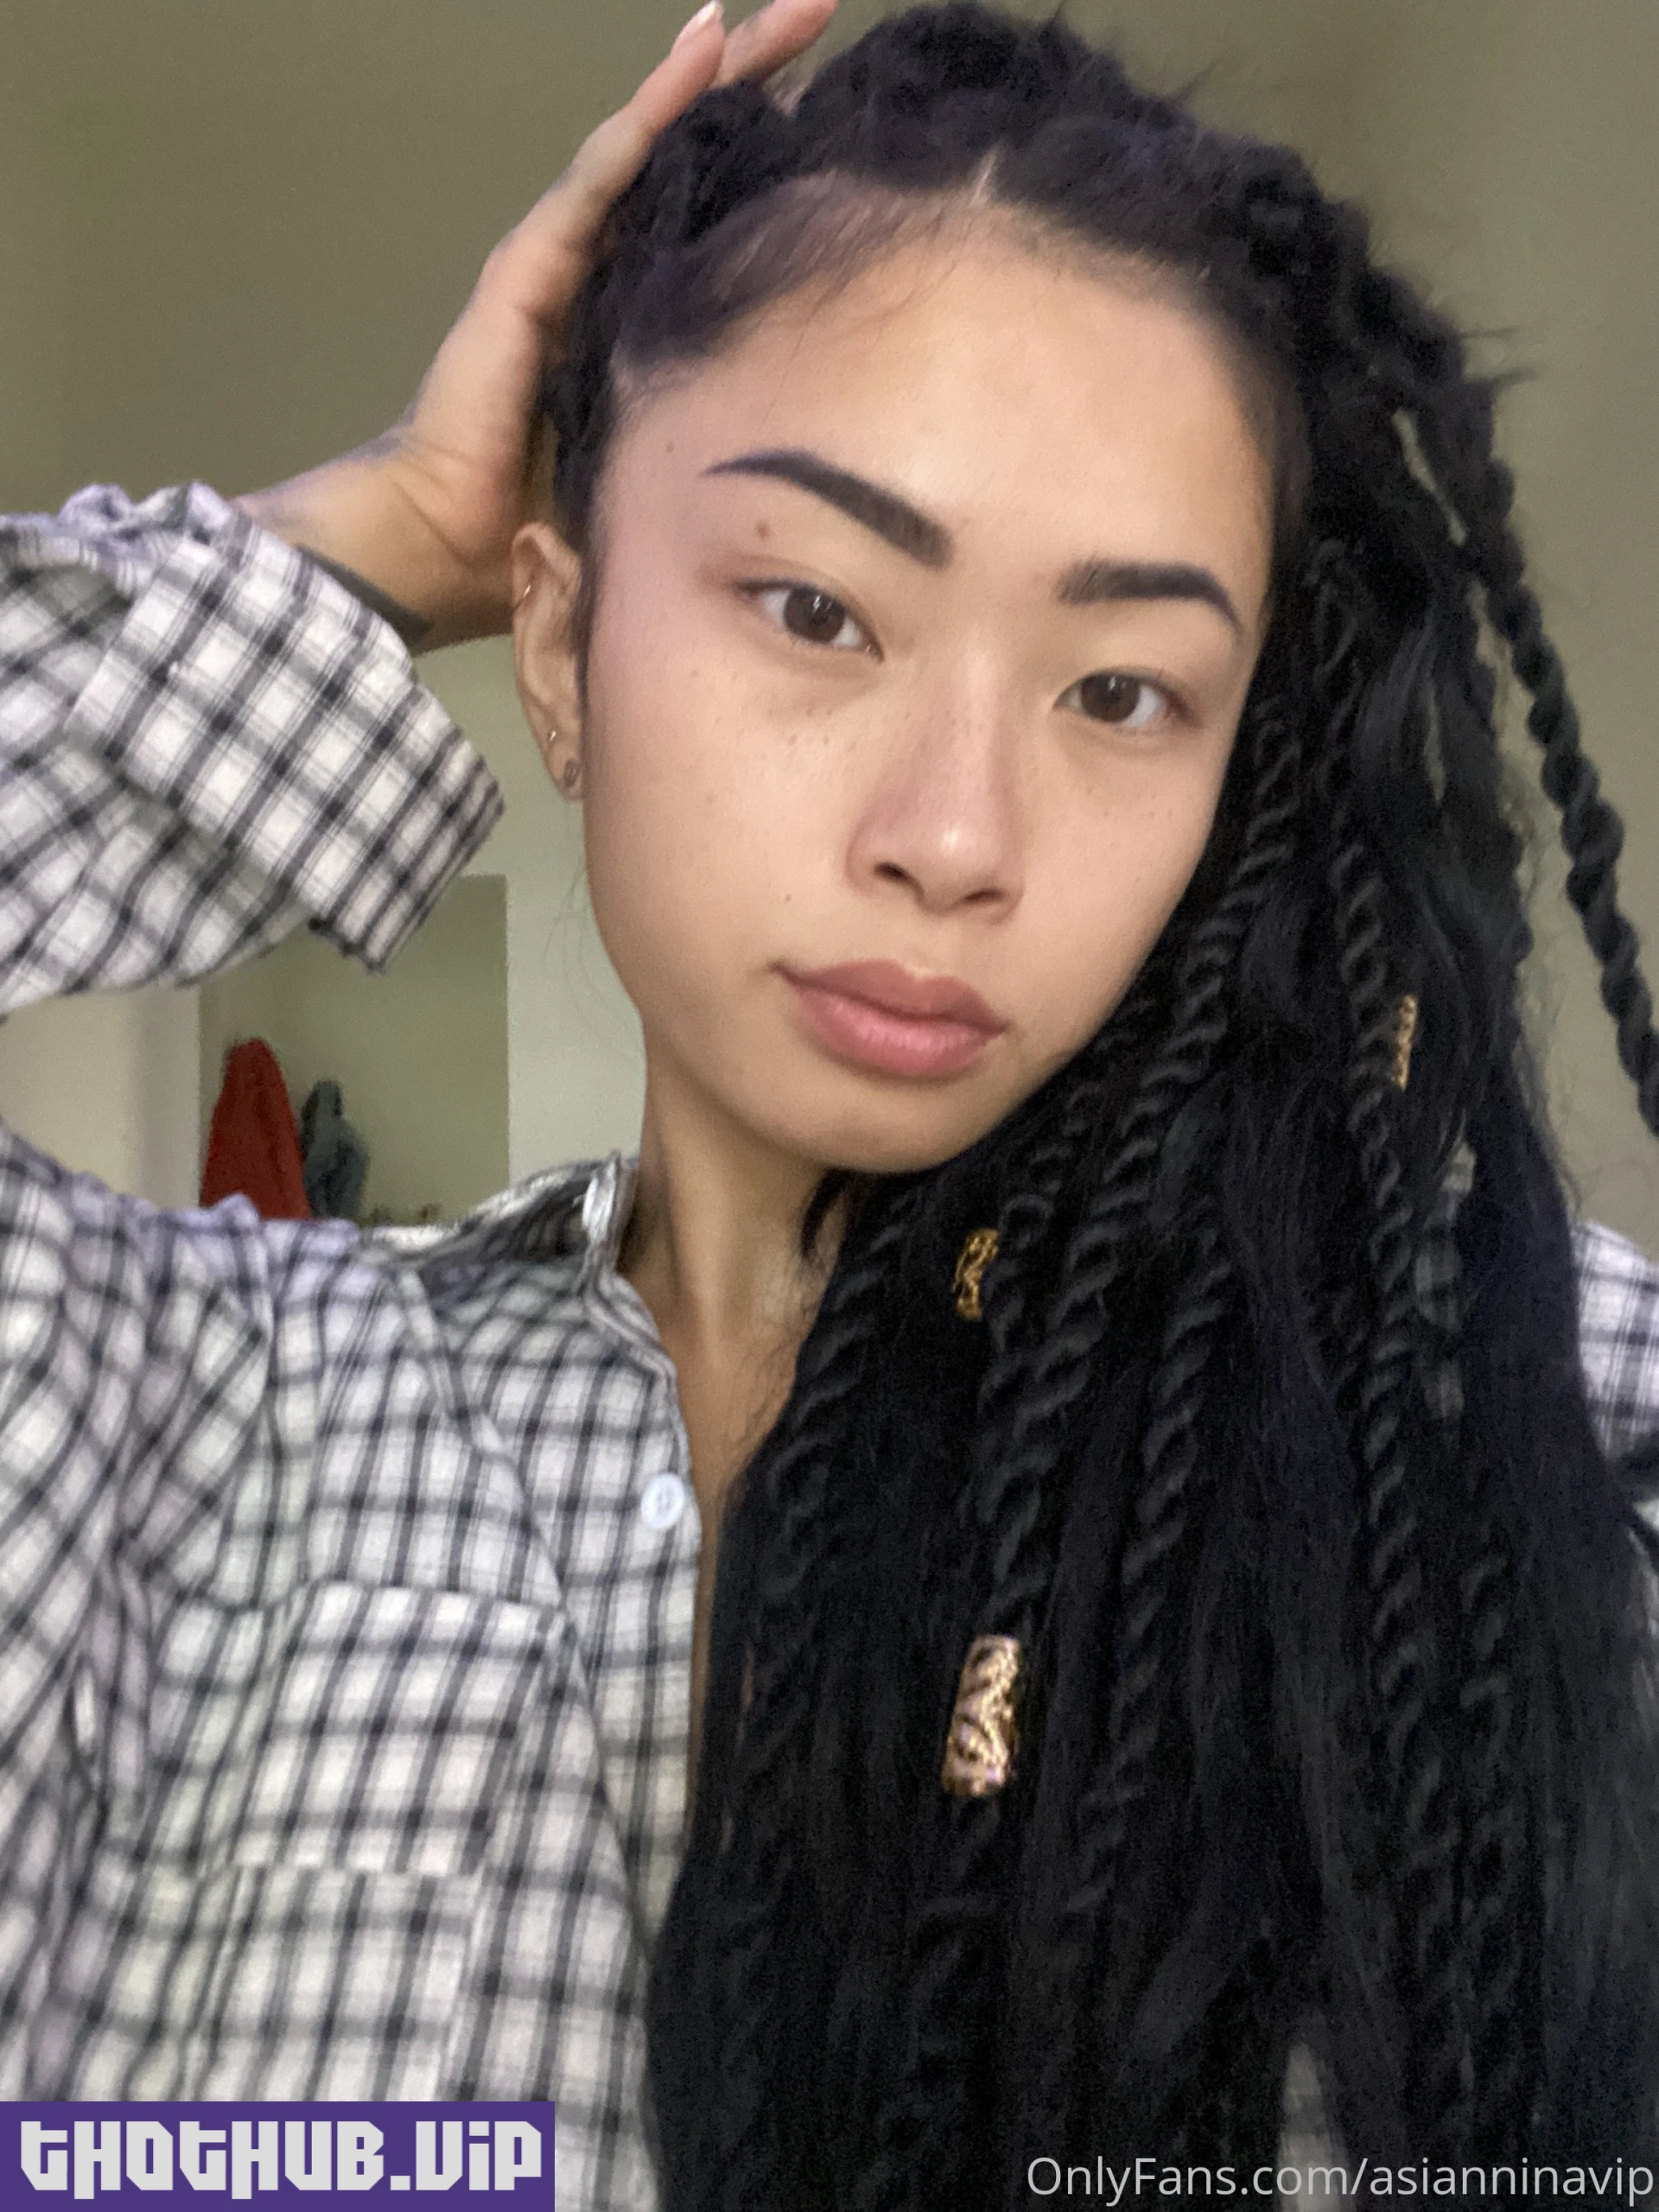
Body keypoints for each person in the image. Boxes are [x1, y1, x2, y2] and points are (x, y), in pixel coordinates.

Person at [1, 2, 1656, 2206]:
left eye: (1120, 689)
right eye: (817, 605)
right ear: (562, 648)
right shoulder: (166, 1402)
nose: (955, 835)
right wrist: (383, 528)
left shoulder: (1499, 1408)